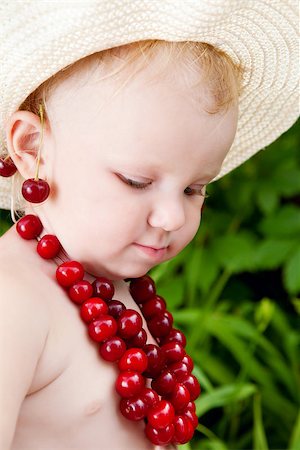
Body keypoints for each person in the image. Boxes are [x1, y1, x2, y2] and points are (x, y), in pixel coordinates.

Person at [0, 1, 298, 449]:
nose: (173, 217)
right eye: (137, 181)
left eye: (195, 188)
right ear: (32, 146)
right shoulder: (14, 302)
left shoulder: (113, 287)